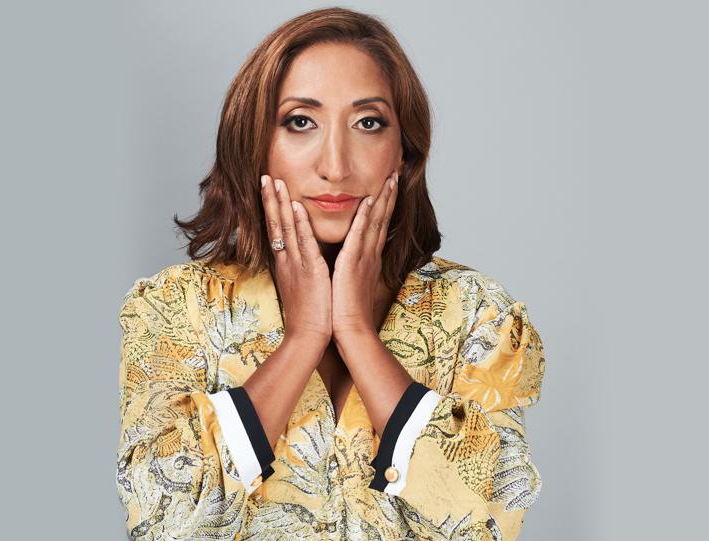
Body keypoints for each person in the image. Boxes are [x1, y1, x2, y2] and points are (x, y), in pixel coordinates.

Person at [117, 7, 546, 540]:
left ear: (404, 152)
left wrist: (358, 336)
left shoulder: (476, 314)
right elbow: (162, 520)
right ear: (254, 144)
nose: (336, 166)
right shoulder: (174, 309)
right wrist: (303, 339)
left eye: (368, 123)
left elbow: (491, 520)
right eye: (301, 122)